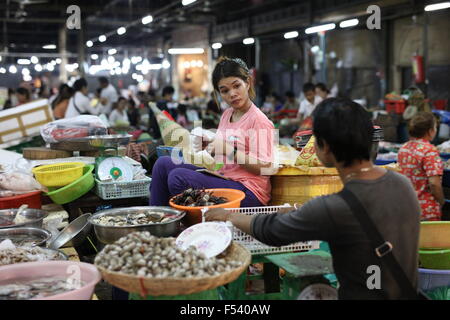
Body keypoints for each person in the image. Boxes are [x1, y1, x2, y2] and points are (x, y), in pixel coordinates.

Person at [205, 98, 422, 300]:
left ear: (325, 147)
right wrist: (298, 214)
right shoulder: (402, 184)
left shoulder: (336, 207)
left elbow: (272, 230)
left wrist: (228, 215)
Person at [150, 56, 275, 207]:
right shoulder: (227, 114)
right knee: (163, 164)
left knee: (178, 177)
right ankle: (158, 221)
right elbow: (226, 155)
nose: (232, 94)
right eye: (225, 90)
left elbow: (265, 167)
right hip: (225, 179)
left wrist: (229, 151)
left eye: (237, 86)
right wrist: (211, 146)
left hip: (248, 192)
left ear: (247, 83)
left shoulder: (258, 120)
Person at [398, 112, 444, 221]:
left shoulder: (404, 148)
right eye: (435, 127)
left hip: (406, 207)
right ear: (430, 131)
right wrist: (441, 201)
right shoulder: (429, 150)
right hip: (426, 210)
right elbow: (434, 184)